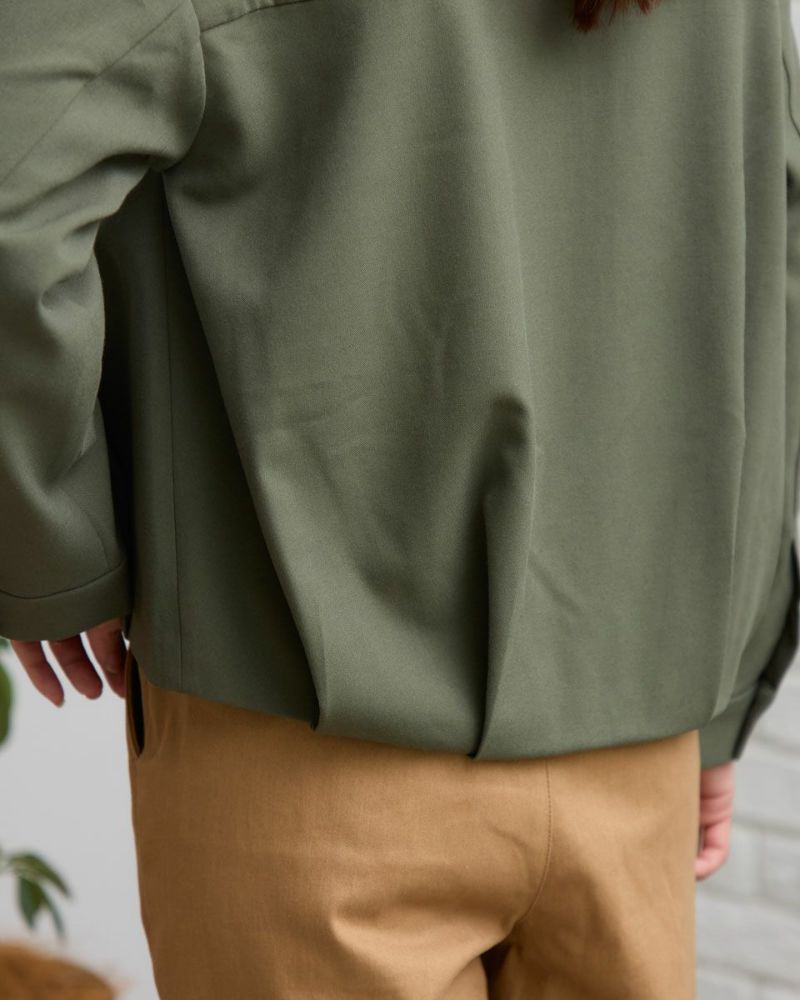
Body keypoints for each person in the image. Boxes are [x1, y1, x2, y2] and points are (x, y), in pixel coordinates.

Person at [1, 0, 799, 995]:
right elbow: (767, 259)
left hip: (303, 757)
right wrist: (722, 688)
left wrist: (53, 545)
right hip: (635, 756)